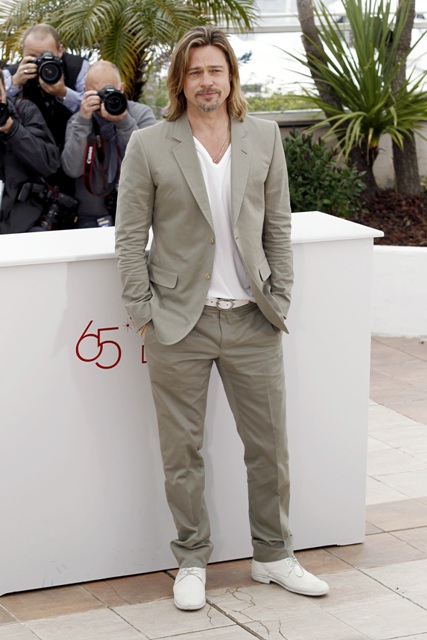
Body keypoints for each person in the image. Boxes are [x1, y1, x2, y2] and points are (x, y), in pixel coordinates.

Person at [115, 26, 329, 611]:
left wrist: (280, 297)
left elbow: (277, 225)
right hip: (177, 324)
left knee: (269, 449)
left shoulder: (264, 136)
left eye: (216, 70)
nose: (206, 82)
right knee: (181, 453)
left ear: (231, 76)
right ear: (179, 82)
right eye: (195, 72)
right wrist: (143, 314)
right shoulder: (149, 144)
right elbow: (130, 237)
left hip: (252, 320)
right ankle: (191, 559)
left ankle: (273, 555)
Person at [61, 60, 156, 228]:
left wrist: (124, 122)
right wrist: (83, 122)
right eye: (96, 93)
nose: (103, 98)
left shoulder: (140, 114)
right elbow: (72, 169)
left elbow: (153, 162)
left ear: (121, 89)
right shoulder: (78, 121)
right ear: (85, 92)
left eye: (108, 91)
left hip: (137, 212)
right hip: (91, 217)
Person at [3, 23, 89, 149]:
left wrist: (64, 93)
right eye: (32, 57)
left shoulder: (78, 67)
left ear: (60, 50)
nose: (40, 63)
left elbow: (93, 109)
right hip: (29, 149)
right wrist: (15, 83)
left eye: (46, 56)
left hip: (72, 146)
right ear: (23, 53)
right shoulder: (10, 73)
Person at [0, 68, 60, 234]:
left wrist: (13, 130)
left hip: (25, 225)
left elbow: (49, 163)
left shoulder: (24, 111)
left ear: (4, 87)